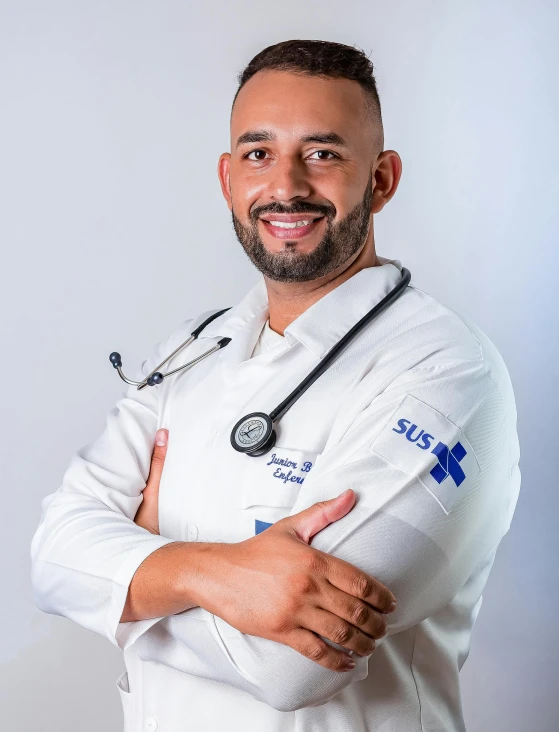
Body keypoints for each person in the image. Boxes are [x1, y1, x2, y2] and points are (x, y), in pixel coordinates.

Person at [30, 39, 521, 732]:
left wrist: (124, 587)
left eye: (322, 153)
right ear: (229, 177)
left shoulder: (445, 372)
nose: (285, 186)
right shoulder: (194, 346)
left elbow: (294, 667)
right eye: (259, 154)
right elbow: (51, 556)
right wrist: (209, 574)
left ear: (380, 179)